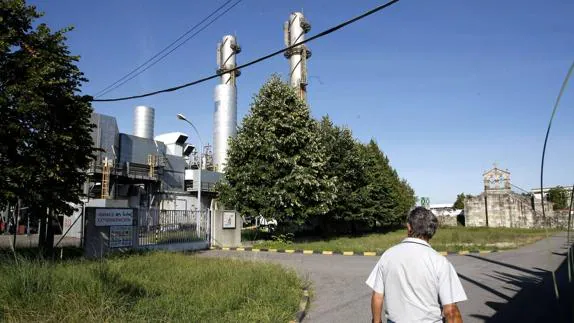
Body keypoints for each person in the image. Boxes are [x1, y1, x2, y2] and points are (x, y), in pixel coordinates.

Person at [366, 207, 467, 323]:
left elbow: (377, 297)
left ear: (409, 227)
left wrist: (376, 321)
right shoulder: (440, 262)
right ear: (432, 231)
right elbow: (451, 311)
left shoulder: (387, 256)